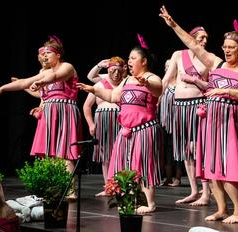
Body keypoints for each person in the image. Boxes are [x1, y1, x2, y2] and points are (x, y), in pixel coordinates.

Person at [160, 6, 238, 223]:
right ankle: (221, 209)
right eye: (225, 46)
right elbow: (193, 45)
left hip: (233, 124)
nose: (226, 50)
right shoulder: (216, 63)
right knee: (212, 165)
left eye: (232, 47)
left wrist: (226, 90)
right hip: (212, 124)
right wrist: (173, 25)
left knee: (230, 166)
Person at [78, 39, 164, 214]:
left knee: (144, 165)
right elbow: (112, 97)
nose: (129, 61)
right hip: (126, 131)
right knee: (127, 165)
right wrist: (93, 89)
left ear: (144, 61)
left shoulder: (152, 78)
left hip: (145, 129)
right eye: (129, 58)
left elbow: (158, 89)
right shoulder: (126, 81)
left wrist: (146, 83)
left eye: (133, 58)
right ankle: (131, 198)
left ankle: (150, 203)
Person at [0, 36, 80, 173]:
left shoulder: (67, 66)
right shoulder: (45, 72)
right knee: (49, 152)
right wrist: (2, 88)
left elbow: (56, 76)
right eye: (43, 54)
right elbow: (24, 82)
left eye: (48, 53)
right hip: (49, 111)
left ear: (58, 54)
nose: (44, 56)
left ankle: (70, 191)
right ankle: (53, 187)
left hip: (64, 110)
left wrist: (42, 82)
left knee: (64, 151)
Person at [162, 25, 212, 206]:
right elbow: (167, 79)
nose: (205, 41)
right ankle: (193, 190)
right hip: (179, 107)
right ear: (190, 38)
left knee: (198, 149)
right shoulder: (178, 55)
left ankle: (206, 193)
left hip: (197, 106)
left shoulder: (208, 59)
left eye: (206, 38)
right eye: (201, 37)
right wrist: (158, 96)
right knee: (185, 150)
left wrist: (196, 80)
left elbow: (212, 87)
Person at [82, 56, 126, 196]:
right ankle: (108, 186)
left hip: (120, 120)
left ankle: (122, 185)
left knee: (122, 153)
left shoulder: (126, 83)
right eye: (113, 70)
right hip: (103, 122)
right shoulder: (100, 84)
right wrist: (91, 124)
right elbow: (87, 106)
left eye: (119, 71)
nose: (116, 74)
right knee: (105, 155)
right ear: (108, 70)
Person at [157, 58, 182, 188]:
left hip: (177, 123)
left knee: (177, 149)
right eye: (166, 66)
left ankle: (177, 178)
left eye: (170, 66)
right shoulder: (163, 84)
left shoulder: (180, 83)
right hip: (164, 123)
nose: (168, 69)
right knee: (166, 150)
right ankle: (167, 177)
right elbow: (157, 101)